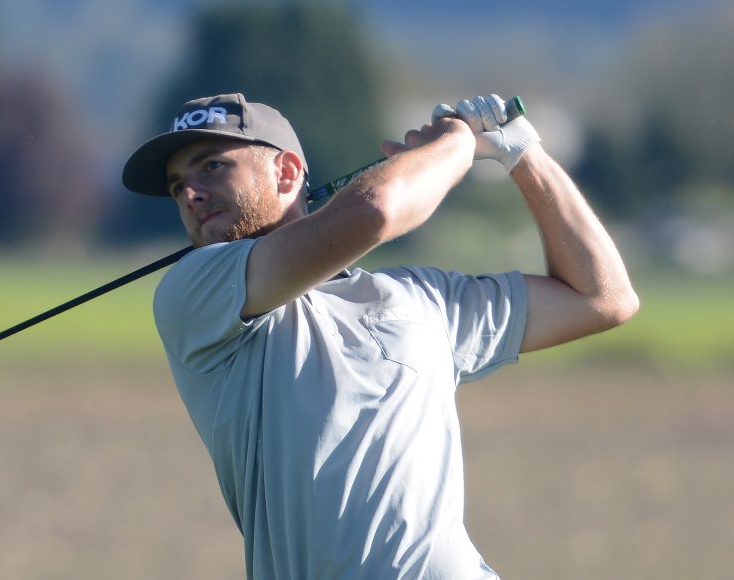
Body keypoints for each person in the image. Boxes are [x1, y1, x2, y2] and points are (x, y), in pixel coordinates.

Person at [122, 92, 638, 579]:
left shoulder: (422, 298)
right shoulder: (193, 292)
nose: (189, 193)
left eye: (213, 166)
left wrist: (521, 153)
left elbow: (603, 298)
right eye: (176, 185)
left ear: (286, 172)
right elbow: (375, 211)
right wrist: (458, 142)